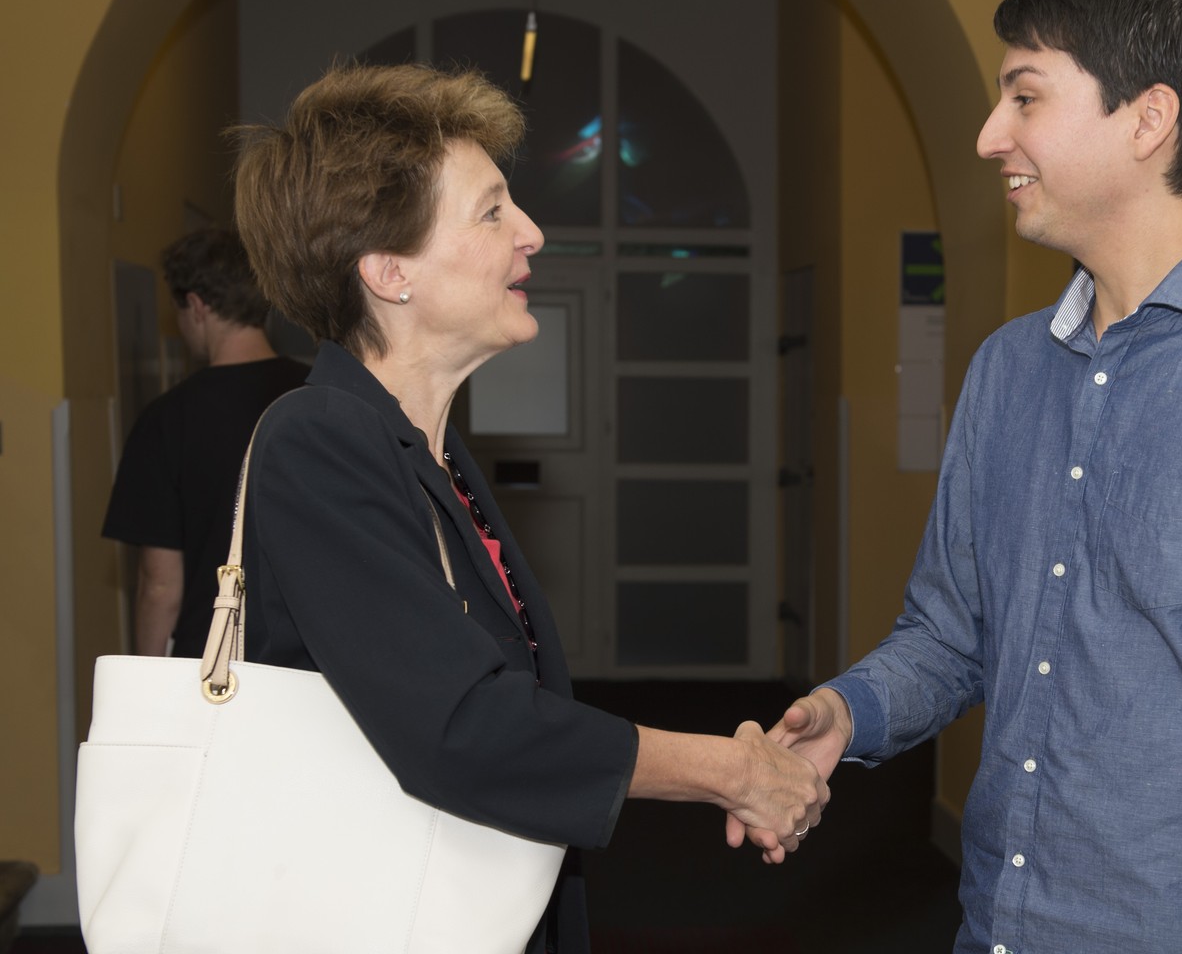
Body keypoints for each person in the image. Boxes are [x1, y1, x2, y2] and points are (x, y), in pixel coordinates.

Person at [737, 0, 1182, 952]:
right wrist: (849, 710)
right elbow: (950, 632)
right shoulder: (1009, 369)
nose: (988, 133)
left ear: (1148, 118)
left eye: (1025, 96)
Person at [229, 63, 827, 953]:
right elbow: (465, 726)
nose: (534, 234)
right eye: (492, 211)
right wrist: (731, 770)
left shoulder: (430, 452)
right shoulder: (318, 440)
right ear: (391, 271)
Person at [102, 227, 310, 657]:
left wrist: (150, 685)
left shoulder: (166, 420)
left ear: (196, 306)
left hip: (211, 667)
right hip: (311, 665)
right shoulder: (318, 399)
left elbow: (160, 585)